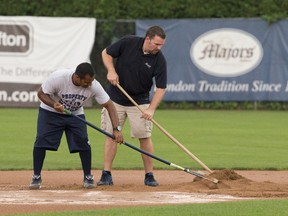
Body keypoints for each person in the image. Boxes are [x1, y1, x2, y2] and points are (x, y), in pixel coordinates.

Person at [29, 62, 123, 189]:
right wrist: (54, 105)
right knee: (41, 141)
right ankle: (36, 176)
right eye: (86, 82)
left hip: (75, 114)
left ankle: (88, 176)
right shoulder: (59, 78)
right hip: (50, 112)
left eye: (91, 81)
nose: (89, 85)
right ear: (77, 77)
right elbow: (41, 93)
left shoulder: (94, 85)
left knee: (83, 142)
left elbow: (109, 105)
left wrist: (116, 129)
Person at [97, 26, 167, 187]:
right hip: (115, 100)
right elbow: (105, 53)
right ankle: (106, 174)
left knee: (144, 137)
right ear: (147, 39)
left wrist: (151, 109)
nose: (159, 47)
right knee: (111, 135)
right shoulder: (128, 42)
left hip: (140, 102)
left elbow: (161, 87)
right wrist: (111, 71)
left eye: (161, 45)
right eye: (156, 44)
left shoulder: (159, 59)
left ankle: (149, 175)